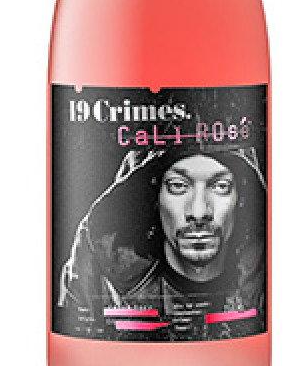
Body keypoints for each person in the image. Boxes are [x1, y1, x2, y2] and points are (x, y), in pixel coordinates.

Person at [57, 141, 267, 341]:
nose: (199, 213)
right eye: (177, 186)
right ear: (154, 197)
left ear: (242, 198)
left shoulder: (267, 270)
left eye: (221, 186)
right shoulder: (98, 262)